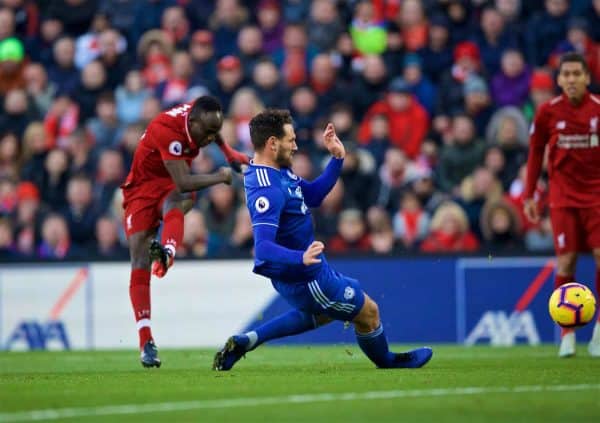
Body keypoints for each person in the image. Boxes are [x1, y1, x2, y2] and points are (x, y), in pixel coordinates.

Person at [213, 109, 433, 371]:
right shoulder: (268, 189)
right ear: (272, 143)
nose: (295, 146)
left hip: (302, 270)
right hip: (306, 275)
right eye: (291, 140)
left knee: (322, 314)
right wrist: (300, 258)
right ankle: (388, 361)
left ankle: (247, 341)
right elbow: (262, 247)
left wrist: (337, 158)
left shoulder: (277, 172)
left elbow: (313, 196)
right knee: (369, 311)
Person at [121, 95, 249, 368]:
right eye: (206, 132)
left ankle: (167, 251)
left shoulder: (200, 116)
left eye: (216, 131)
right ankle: (146, 341)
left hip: (169, 183)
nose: (208, 139)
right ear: (192, 122)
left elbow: (210, 131)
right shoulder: (167, 131)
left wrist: (228, 151)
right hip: (142, 188)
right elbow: (182, 178)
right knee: (139, 258)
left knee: (177, 199)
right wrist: (220, 175)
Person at [524, 52, 600, 358]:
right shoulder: (547, 113)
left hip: (597, 197)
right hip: (563, 198)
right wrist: (530, 194)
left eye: (576, 74)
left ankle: (599, 332)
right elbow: (534, 153)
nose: (570, 79)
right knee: (566, 261)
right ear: (558, 80)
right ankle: (566, 334)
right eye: (565, 74)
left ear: (586, 78)